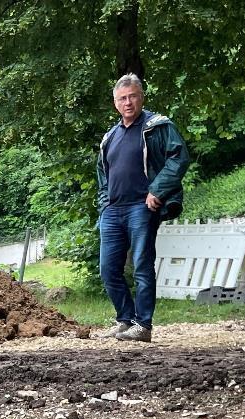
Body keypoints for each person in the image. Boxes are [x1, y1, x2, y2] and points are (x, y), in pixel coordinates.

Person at [95, 74, 188, 342]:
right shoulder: (110, 137)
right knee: (108, 269)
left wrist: (157, 190)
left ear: (141, 97)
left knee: (141, 266)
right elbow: (102, 173)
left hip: (141, 207)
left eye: (132, 96)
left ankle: (143, 325)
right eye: (122, 98)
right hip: (113, 210)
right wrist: (104, 204)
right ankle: (125, 320)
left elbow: (178, 157)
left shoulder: (157, 126)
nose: (128, 102)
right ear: (115, 103)